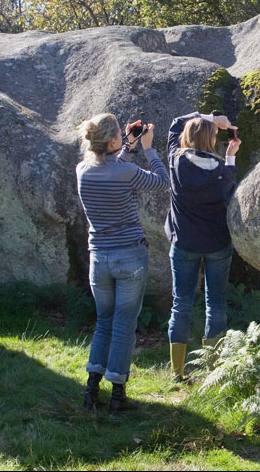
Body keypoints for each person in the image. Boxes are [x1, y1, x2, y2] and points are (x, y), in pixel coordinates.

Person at [76, 113, 168, 413]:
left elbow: (110, 165)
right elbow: (162, 182)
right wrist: (149, 148)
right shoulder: (126, 171)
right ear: (113, 140)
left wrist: (125, 146)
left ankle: (91, 389)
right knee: (124, 326)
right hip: (130, 256)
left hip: (99, 258)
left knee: (104, 322)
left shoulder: (82, 170)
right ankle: (117, 395)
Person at [165, 111, 241, 380]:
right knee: (216, 304)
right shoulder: (221, 170)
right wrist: (231, 156)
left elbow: (174, 124)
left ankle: (177, 372)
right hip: (217, 243)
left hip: (184, 242)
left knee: (181, 303)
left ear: (187, 137)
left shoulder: (175, 161)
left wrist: (209, 116)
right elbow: (230, 190)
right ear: (211, 140)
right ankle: (212, 371)